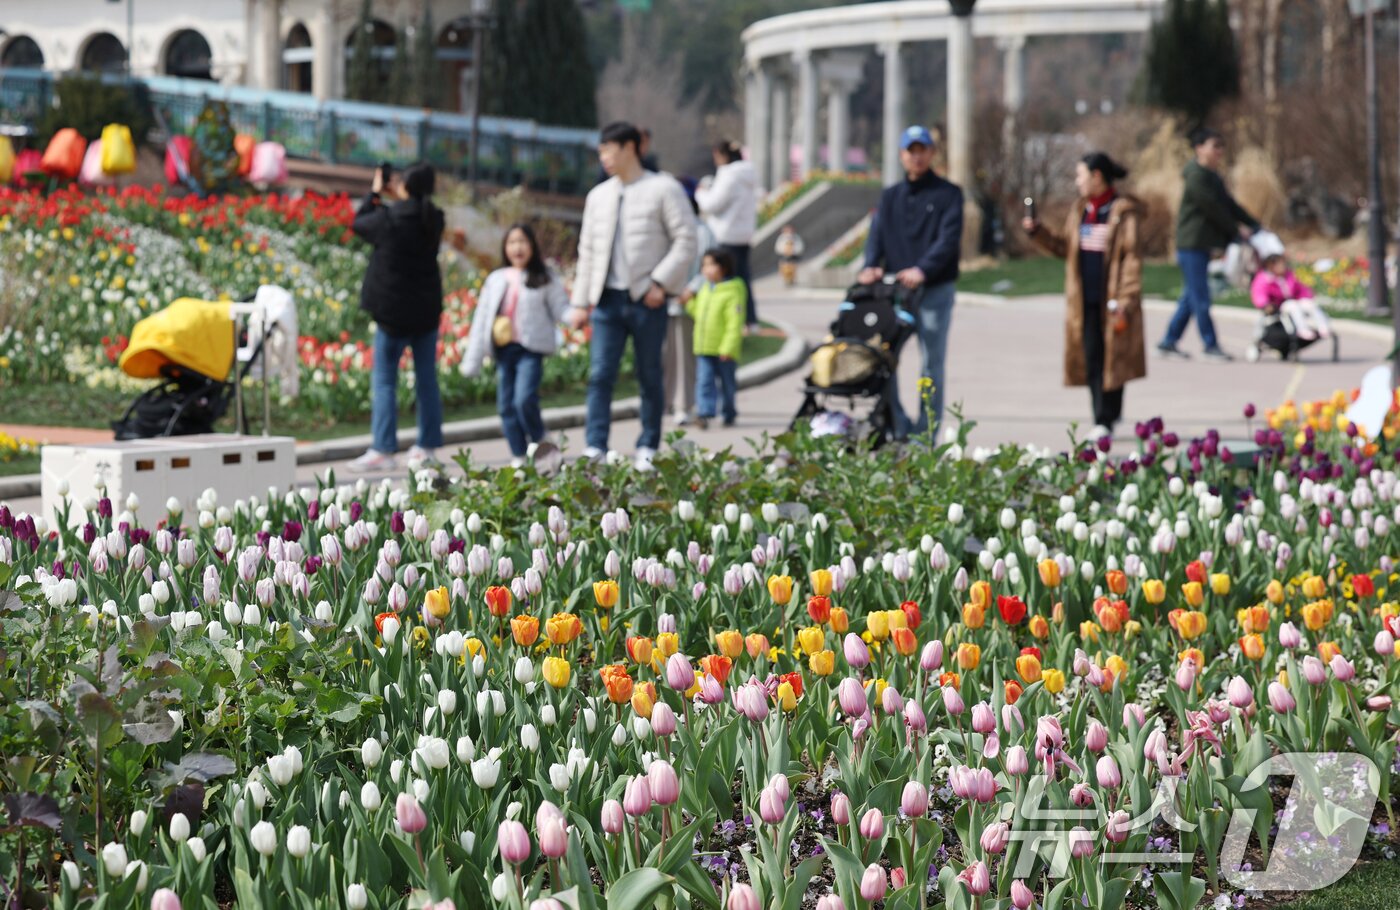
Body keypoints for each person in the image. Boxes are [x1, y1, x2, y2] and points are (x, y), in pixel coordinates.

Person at [567, 121, 697, 471]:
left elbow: (686, 239)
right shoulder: (599, 196)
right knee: (600, 375)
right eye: (601, 151)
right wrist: (580, 302)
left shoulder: (663, 189)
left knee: (649, 374)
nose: (604, 158)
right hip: (607, 301)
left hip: (646, 299)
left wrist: (660, 283)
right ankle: (595, 446)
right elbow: (588, 252)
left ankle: (648, 446)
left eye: (609, 150)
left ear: (630, 148)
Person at [1024, 152, 1147, 440]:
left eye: (1080, 176)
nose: (1077, 182)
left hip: (1113, 300)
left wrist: (1126, 299)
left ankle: (1109, 414)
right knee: (1093, 356)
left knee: (1113, 356)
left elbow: (1131, 260)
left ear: (1097, 177)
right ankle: (1101, 416)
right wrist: (1038, 233)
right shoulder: (1081, 210)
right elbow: (1066, 247)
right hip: (1085, 300)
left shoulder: (1122, 213)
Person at [859, 124, 964, 439]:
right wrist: (869, 266)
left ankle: (925, 433)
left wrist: (922, 270)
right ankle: (900, 425)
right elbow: (876, 236)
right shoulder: (891, 196)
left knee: (931, 365)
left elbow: (947, 241)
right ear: (902, 155)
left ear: (932, 153)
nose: (917, 157)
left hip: (934, 291)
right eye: (911, 151)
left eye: (922, 150)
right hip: (896, 294)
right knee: (882, 360)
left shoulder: (948, 194)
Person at [348, 163, 445, 472]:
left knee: (385, 380)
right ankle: (426, 446)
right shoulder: (434, 218)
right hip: (425, 312)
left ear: (404, 185)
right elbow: (412, 208)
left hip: (392, 314)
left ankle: (383, 448)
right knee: (426, 380)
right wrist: (398, 196)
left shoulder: (390, 218)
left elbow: (359, 223)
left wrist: (376, 192)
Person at [461, 224, 572, 468]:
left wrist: (576, 315)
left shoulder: (544, 277)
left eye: (523, 241)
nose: (517, 247)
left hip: (530, 350)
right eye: (512, 242)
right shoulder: (496, 279)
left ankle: (540, 440)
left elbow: (560, 307)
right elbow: (482, 318)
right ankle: (520, 455)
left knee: (524, 399)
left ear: (532, 245)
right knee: (506, 406)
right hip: (504, 351)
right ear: (505, 248)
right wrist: (473, 359)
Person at [1158, 127, 1259, 361]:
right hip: (1191, 245)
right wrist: (1236, 230)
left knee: (1190, 297)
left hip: (1201, 245)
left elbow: (1229, 206)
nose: (1219, 151)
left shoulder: (1212, 176)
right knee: (1200, 297)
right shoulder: (1196, 176)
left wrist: (1254, 224)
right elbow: (1213, 209)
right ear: (1199, 148)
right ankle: (1210, 345)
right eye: (1215, 146)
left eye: (1221, 147)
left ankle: (1168, 342)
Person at [667, 180, 715, 427]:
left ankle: (683, 405)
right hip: (661, 300)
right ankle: (665, 401)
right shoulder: (666, 230)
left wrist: (690, 290)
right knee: (663, 355)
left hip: (688, 302)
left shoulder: (702, 231)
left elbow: (709, 269)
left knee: (684, 356)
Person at [696, 140, 759, 326]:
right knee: (743, 280)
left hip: (725, 235)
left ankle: (729, 320)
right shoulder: (748, 173)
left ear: (722, 155)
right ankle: (749, 320)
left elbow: (712, 204)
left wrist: (701, 193)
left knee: (725, 282)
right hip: (744, 236)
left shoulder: (729, 175)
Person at [686, 248, 746, 429]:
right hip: (704, 346)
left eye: (711, 265)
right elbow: (698, 312)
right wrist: (688, 302)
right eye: (704, 265)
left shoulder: (733, 290)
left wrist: (728, 347)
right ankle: (704, 413)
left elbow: (735, 322)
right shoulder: (705, 289)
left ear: (724, 267)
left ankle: (728, 411)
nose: (706, 269)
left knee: (727, 384)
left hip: (724, 349)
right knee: (704, 381)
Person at [1250, 239, 1330, 340]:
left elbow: (1300, 288)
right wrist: (1265, 304)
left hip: (1294, 300)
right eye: (1279, 265)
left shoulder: (1289, 275)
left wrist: (1308, 296)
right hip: (1278, 305)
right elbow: (1259, 293)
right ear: (1271, 266)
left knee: (1309, 304)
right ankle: (1302, 329)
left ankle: (1323, 327)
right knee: (1293, 306)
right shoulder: (1264, 279)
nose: (1282, 267)